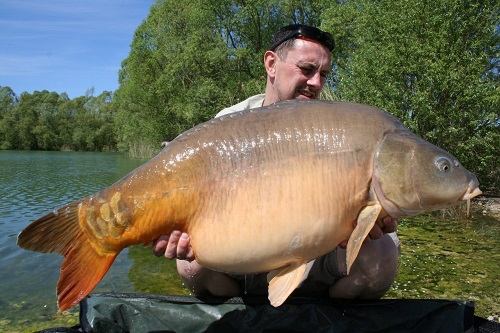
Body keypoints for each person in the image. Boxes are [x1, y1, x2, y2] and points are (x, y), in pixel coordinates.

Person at [153, 24, 400, 300]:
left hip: (315, 255)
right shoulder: (227, 125)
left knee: (382, 256)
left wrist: (367, 220)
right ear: (271, 64)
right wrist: (177, 231)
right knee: (190, 265)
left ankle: (327, 319)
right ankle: (239, 317)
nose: (316, 83)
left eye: (324, 74)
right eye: (306, 70)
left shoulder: (338, 128)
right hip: (246, 256)